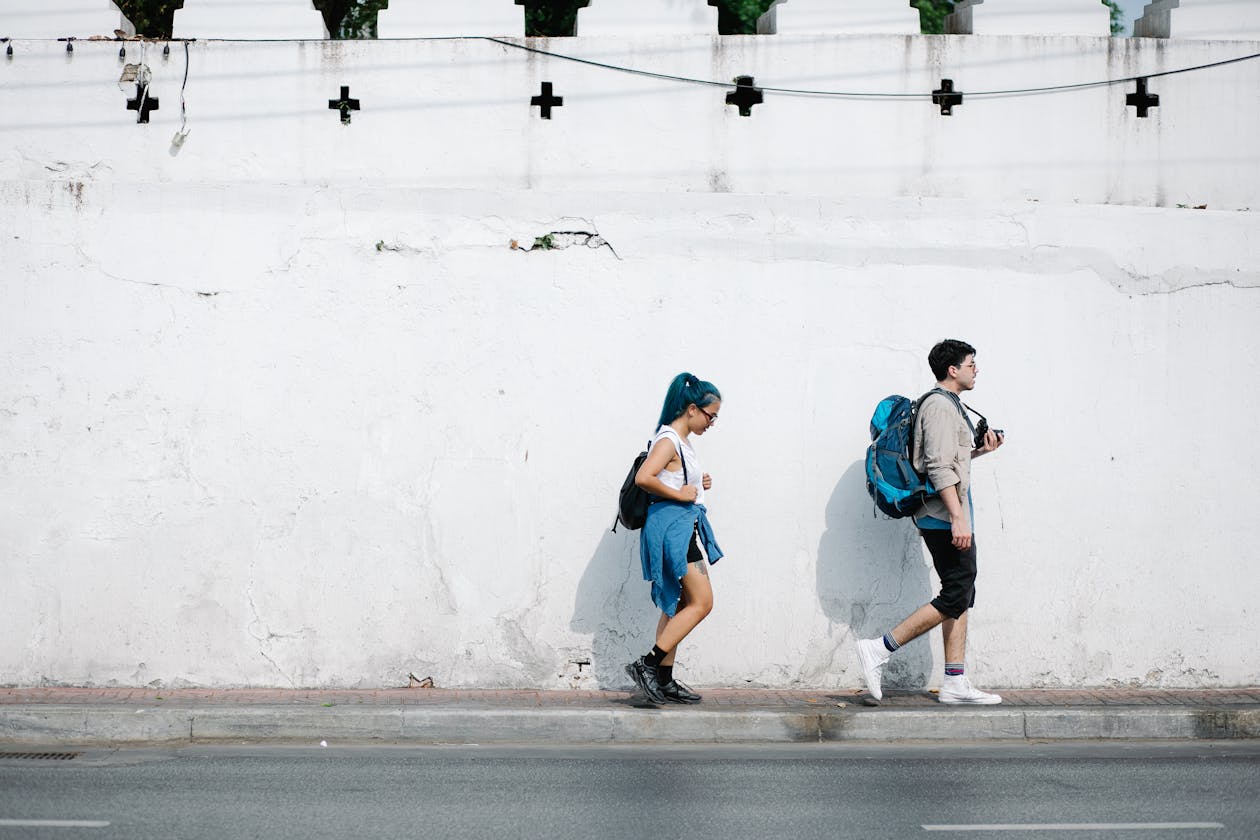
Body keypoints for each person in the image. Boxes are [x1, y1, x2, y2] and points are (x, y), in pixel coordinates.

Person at [855, 339, 1005, 704]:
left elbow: (947, 460)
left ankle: (954, 681)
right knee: (955, 592)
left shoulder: (949, 404)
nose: (976, 369)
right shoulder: (938, 406)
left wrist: (980, 451)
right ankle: (879, 648)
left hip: (948, 513)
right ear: (953, 370)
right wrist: (957, 517)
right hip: (942, 516)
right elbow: (937, 467)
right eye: (971, 363)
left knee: (961, 592)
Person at [624, 372, 724, 705]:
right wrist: (680, 494)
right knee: (702, 602)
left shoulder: (681, 441)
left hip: (680, 527)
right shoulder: (668, 439)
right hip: (673, 531)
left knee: (679, 604)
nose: (712, 423)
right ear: (692, 409)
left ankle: (664, 680)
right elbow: (644, 477)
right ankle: (648, 665)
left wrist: (698, 483)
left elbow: (671, 478)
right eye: (710, 415)